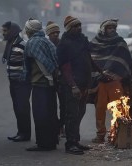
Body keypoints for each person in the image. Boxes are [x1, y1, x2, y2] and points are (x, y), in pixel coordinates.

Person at [90, 19, 132, 144]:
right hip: (101, 83)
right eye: (109, 28)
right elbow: (90, 60)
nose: (112, 30)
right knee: (100, 109)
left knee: (119, 109)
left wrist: (120, 76)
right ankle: (100, 135)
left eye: (114, 28)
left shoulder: (120, 43)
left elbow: (126, 62)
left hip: (115, 81)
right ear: (103, 29)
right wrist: (99, 74)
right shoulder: (94, 42)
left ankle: (118, 135)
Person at [56, 16, 92, 155]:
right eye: (75, 26)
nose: (78, 28)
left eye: (79, 25)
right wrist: (73, 85)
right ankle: (70, 144)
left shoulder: (83, 40)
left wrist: (99, 73)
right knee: (71, 114)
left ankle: (76, 140)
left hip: (84, 83)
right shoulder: (64, 44)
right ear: (69, 28)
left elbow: (89, 59)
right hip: (72, 85)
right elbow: (65, 67)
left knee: (80, 113)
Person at [24, 18, 59, 151]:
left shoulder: (32, 43)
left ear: (30, 31)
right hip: (50, 84)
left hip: (40, 83)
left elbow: (34, 63)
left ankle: (43, 144)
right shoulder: (46, 41)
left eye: (27, 30)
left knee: (40, 115)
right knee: (51, 113)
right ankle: (51, 141)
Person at [1, 21, 32, 142]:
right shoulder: (11, 44)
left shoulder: (22, 44)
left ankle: (25, 134)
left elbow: (30, 62)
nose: (3, 33)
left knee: (22, 107)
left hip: (22, 82)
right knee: (16, 107)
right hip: (13, 82)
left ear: (12, 31)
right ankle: (21, 132)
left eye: (5, 31)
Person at [45, 21, 66, 138]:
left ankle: (62, 126)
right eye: (53, 33)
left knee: (64, 105)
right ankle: (57, 127)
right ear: (48, 34)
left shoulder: (63, 44)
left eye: (57, 32)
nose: (56, 34)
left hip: (62, 80)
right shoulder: (46, 45)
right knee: (51, 105)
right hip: (49, 79)